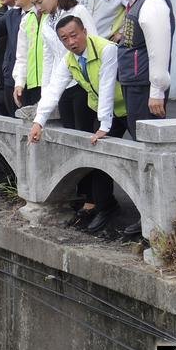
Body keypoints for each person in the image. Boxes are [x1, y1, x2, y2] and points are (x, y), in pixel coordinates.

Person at [28, 15, 129, 233]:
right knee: (98, 157)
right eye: (64, 39)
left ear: (84, 31)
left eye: (74, 35)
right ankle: (106, 207)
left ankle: (147, 220)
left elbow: (107, 85)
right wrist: (39, 122)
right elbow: (54, 89)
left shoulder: (106, 49)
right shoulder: (69, 59)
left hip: (128, 108)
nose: (71, 42)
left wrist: (104, 126)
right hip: (103, 110)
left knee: (145, 158)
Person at [102, 0, 175, 139]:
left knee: (146, 141)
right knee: (138, 138)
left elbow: (158, 51)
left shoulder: (152, 1)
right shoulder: (138, 0)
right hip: (135, 83)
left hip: (144, 86)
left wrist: (157, 91)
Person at [27, 0, 98, 130]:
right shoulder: (46, 22)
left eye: (40, 2)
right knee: (67, 131)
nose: (38, 8)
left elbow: (93, 42)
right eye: (34, 4)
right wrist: (45, 93)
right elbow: (48, 58)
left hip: (82, 82)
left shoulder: (77, 11)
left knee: (83, 130)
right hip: (61, 84)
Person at [11, 0, 45, 108]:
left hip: (52, 85)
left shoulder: (57, 16)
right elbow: (22, 56)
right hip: (31, 84)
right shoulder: (27, 18)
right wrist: (19, 82)